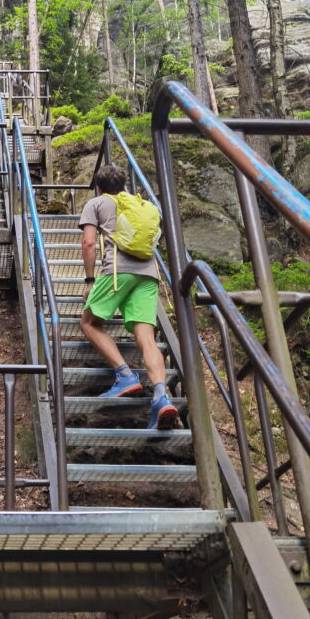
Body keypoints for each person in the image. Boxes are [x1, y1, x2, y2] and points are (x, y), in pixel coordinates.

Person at [78, 163, 178, 430]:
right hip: (148, 274)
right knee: (146, 338)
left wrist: (89, 280)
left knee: (89, 323)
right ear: (124, 186)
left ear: (98, 187)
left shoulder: (97, 203)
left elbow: (88, 243)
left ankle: (124, 375)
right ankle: (161, 396)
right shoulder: (140, 204)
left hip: (116, 272)